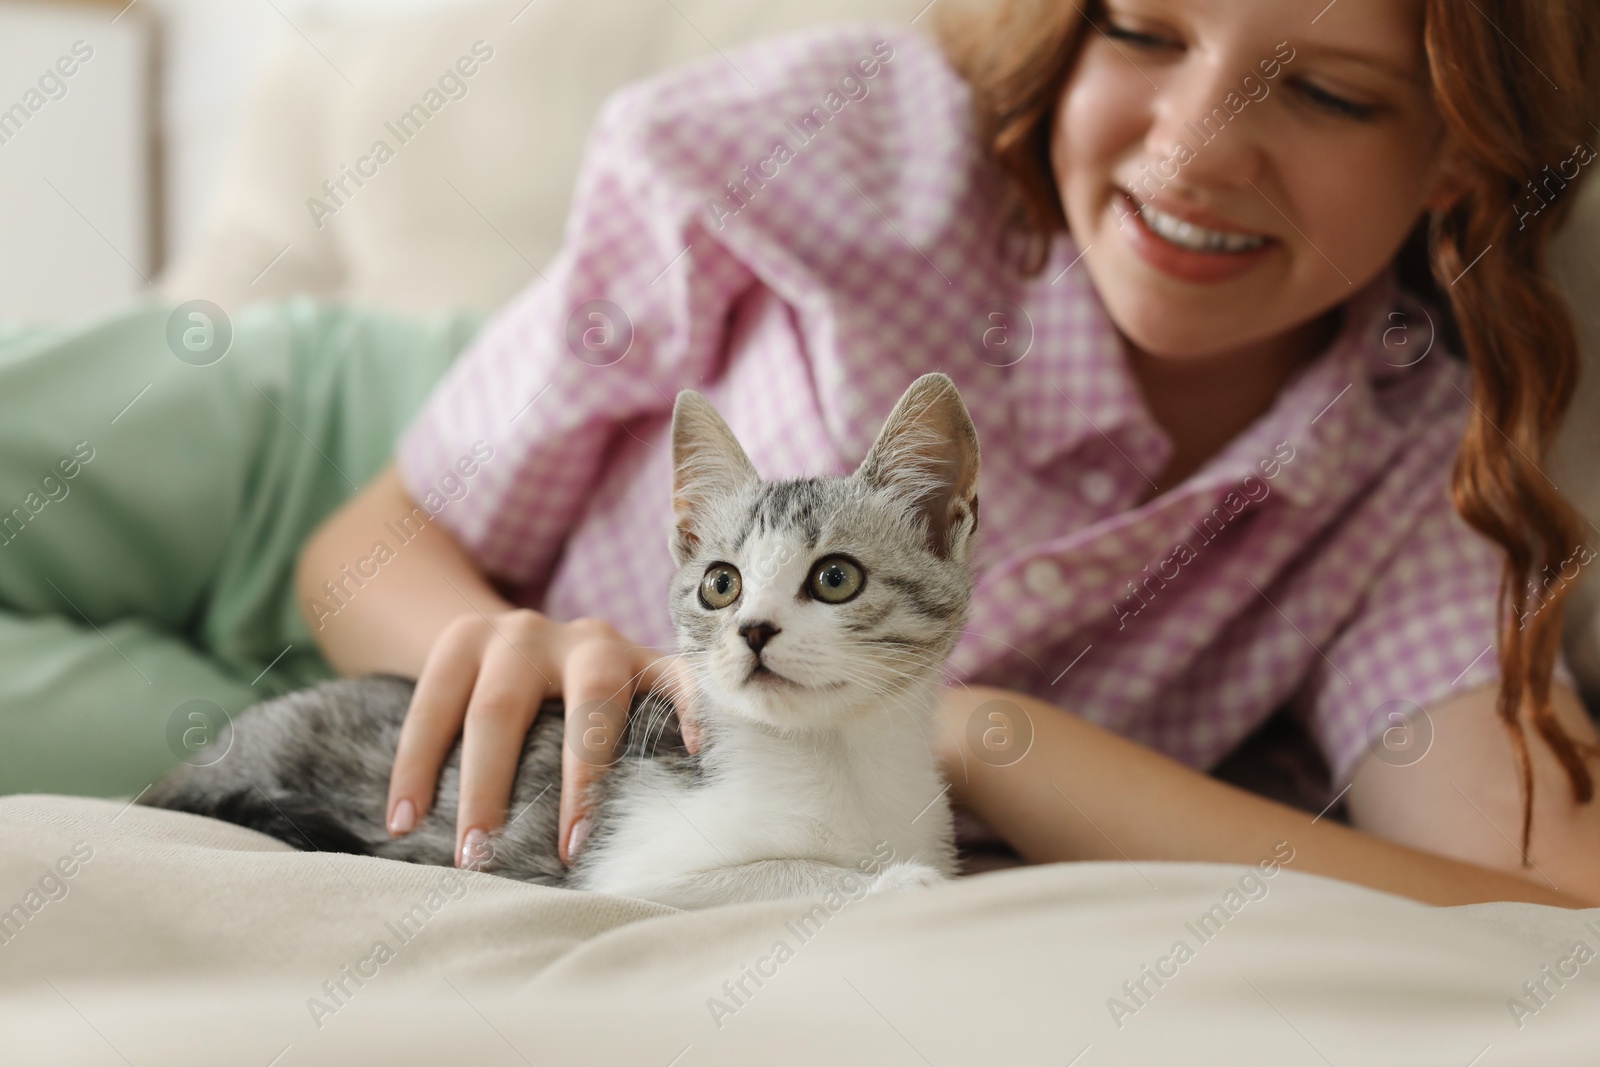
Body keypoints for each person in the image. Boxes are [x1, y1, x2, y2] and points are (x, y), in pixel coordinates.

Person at [4, 0, 1596, 908]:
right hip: (381, 495)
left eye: (1323, 91)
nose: (1191, 148)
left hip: (459, 781)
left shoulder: (1406, 473)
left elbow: (1533, 909)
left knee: (114, 806)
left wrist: (977, 734)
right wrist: (504, 640)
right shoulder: (851, 141)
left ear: (1464, 152)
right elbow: (379, 529)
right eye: (1140, 23)